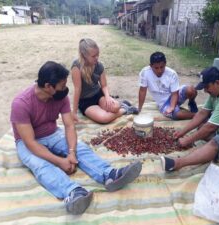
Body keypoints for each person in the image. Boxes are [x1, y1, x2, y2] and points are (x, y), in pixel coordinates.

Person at [10, 61, 142, 215]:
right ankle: (73, 193)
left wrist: (71, 152)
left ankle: (110, 175)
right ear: (48, 86)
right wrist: (60, 161)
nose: (65, 89)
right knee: (41, 166)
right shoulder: (21, 104)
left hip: (52, 133)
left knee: (80, 148)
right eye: (62, 85)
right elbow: (31, 143)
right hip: (27, 142)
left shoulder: (60, 96)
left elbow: (69, 126)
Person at [71, 38, 138, 124]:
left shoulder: (99, 66)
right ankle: (125, 110)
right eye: (93, 56)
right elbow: (77, 89)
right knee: (104, 118)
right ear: (84, 55)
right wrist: (74, 112)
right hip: (86, 101)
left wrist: (107, 96)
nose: (97, 58)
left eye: (97, 55)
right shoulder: (76, 67)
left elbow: (104, 86)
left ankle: (120, 105)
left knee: (115, 107)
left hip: (99, 95)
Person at [138, 51, 198, 120]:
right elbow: (142, 91)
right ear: (151, 66)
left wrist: (172, 107)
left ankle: (191, 102)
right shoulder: (145, 73)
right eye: (156, 68)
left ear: (165, 64)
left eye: (162, 67)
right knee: (176, 114)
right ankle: (196, 115)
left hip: (175, 95)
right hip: (164, 103)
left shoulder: (171, 73)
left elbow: (175, 93)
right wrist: (139, 108)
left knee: (191, 90)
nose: (159, 70)